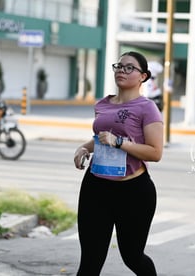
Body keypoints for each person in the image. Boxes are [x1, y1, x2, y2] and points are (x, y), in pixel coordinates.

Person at [73, 51, 164, 275]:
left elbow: (155, 152)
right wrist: (85, 147)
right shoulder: (103, 104)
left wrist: (120, 142)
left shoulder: (147, 108)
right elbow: (103, 138)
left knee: (132, 257)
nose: (121, 71)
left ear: (143, 76)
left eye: (129, 68)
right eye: (119, 66)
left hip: (133, 192)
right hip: (96, 187)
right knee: (90, 261)